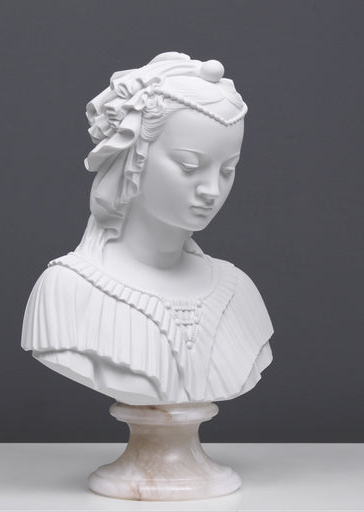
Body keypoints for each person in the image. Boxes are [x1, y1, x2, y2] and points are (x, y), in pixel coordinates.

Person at [21, 52, 274, 405]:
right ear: (133, 157)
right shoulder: (67, 291)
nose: (212, 190)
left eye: (227, 170)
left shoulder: (238, 292)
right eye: (189, 166)